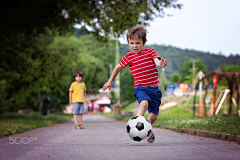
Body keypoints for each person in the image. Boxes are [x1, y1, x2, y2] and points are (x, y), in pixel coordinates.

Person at [102, 25, 167, 143]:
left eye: (138, 43)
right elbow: (118, 67)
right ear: (128, 43)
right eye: (131, 43)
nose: (134, 46)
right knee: (144, 103)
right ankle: (136, 127)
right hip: (140, 88)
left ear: (144, 42)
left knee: (153, 117)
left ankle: (146, 129)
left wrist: (160, 63)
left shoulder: (150, 52)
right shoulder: (128, 57)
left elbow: (156, 61)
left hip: (154, 89)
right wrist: (110, 81)